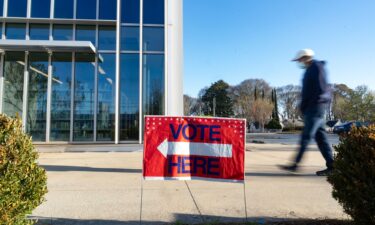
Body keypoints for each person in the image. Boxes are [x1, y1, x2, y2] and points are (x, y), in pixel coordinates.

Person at [279, 49, 334, 176]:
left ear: (306, 58)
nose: (299, 62)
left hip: (315, 107)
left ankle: (294, 165)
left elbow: (321, 88)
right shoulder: (310, 69)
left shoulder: (316, 67)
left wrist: (313, 105)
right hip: (314, 107)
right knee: (321, 139)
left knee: (306, 136)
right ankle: (332, 166)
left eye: (300, 60)